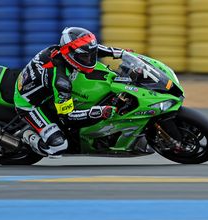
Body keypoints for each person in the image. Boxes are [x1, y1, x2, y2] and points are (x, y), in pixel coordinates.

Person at [13, 27, 126, 157]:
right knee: (58, 147)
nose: (90, 60)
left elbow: (92, 49)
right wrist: (99, 112)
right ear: (70, 55)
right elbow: (68, 117)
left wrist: (122, 54)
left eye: (91, 56)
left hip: (39, 85)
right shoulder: (61, 81)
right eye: (84, 57)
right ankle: (29, 137)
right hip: (28, 105)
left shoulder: (62, 50)